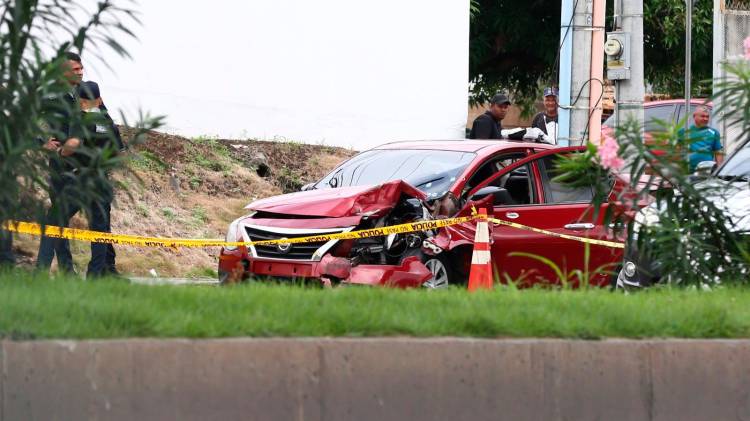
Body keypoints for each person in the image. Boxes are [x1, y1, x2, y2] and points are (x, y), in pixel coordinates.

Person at [37, 81, 122, 278]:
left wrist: (61, 151)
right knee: (99, 231)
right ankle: (95, 276)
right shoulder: (108, 122)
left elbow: (73, 144)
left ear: (80, 102)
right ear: (99, 100)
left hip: (81, 180)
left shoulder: (81, 119)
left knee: (54, 220)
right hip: (102, 181)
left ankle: (40, 272)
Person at [677, 106, 723, 172]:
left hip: (707, 172)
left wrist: (719, 170)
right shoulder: (683, 131)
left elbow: (718, 152)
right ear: (694, 116)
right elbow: (677, 151)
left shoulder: (714, 132)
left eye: (707, 117)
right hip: (687, 172)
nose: (705, 119)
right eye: (702, 116)